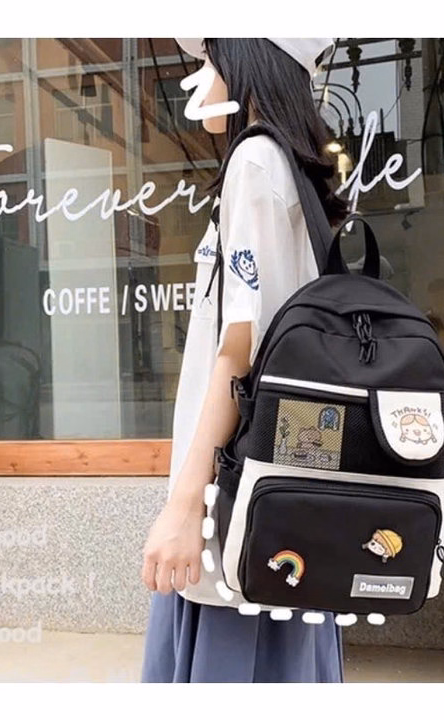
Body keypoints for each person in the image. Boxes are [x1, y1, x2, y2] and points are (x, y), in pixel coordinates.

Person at [139, 38, 349, 683]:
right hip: (278, 488)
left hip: (235, 500)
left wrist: (184, 507)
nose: (197, 76)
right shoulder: (292, 166)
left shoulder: (255, 163)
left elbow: (241, 355)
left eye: (208, 58)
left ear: (247, 58)